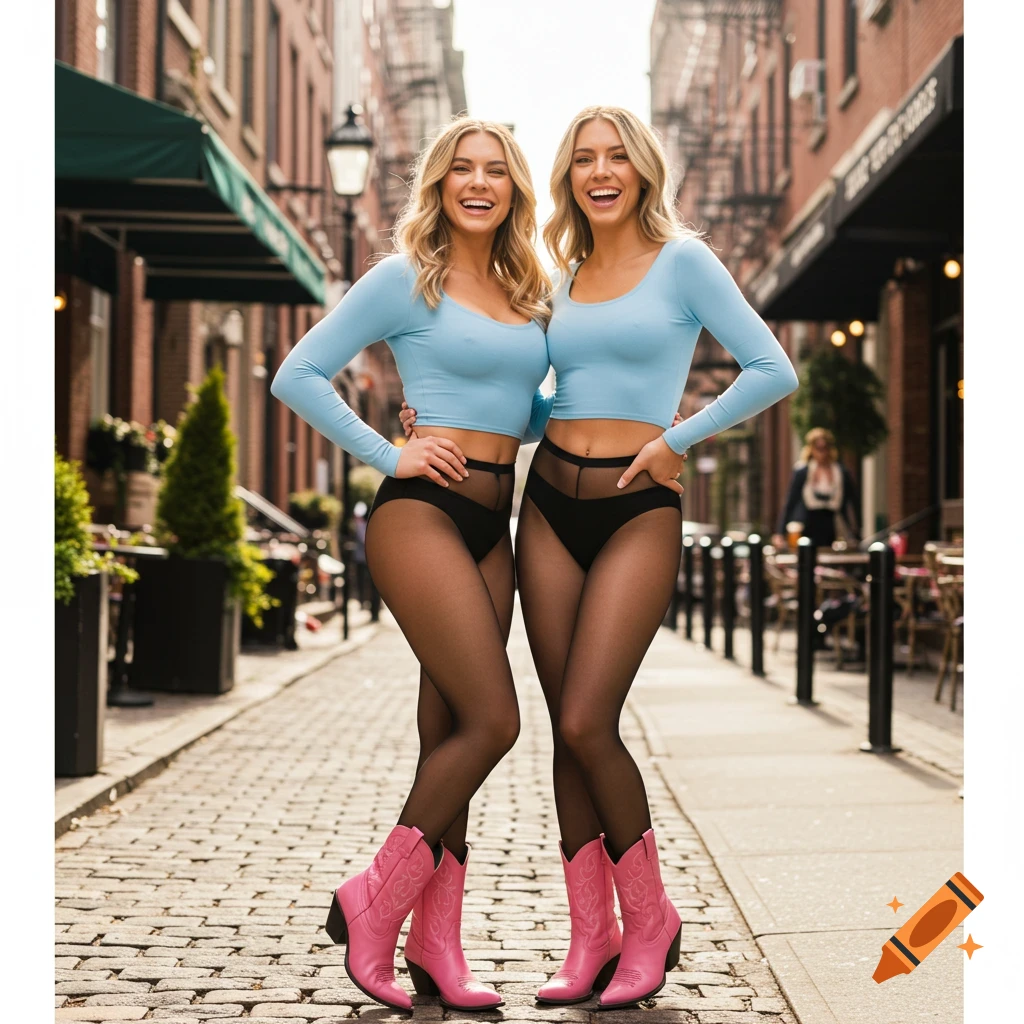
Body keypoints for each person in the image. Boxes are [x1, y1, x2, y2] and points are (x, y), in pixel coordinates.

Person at [516, 106, 798, 1009]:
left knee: (591, 719)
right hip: (548, 502)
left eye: (617, 158)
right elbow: (548, 401)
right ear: (569, 176)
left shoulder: (683, 260)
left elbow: (770, 368)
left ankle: (651, 920)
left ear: (641, 170)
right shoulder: (561, 276)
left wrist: (682, 438)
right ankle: (588, 936)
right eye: (584, 159)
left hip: (639, 504)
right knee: (564, 724)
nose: (602, 172)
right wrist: (452, 425)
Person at [270, 117, 553, 1012]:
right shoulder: (405, 279)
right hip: (421, 515)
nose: (479, 183)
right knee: (496, 719)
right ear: (439, 183)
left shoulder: (526, 289)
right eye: (462, 169)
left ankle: (438, 947)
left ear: (514, 189)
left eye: (495, 171)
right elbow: (299, 372)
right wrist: (385, 454)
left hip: (491, 525)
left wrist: (613, 419)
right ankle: (373, 902)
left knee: (453, 737)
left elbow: (522, 411)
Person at [773, 427, 860, 549]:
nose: (822, 453)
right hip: (808, 523)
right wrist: (780, 532)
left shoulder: (840, 472)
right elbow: (790, 502)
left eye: (825, 448)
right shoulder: (803, 471)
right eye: (818, 448)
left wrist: (856, 531)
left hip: (833, 524)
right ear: (811, 449)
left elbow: (853, 502)